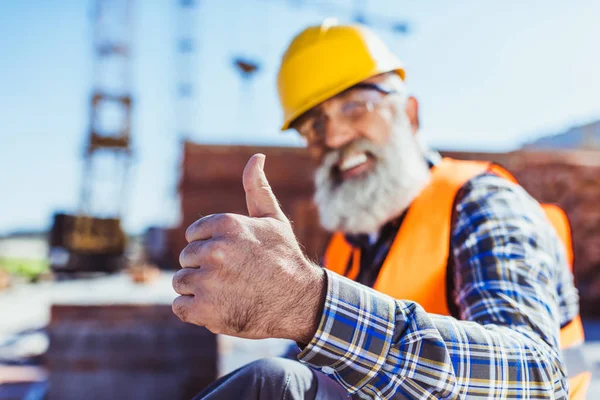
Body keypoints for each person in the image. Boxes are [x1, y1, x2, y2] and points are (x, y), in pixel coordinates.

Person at [172, 21, 590, 399]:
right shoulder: (348, 246)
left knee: (274, 384)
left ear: (410, 114)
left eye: (356, 105)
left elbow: (537, 378)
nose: (334, 136)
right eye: (315, 125)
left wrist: (309, 304)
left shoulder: (485, 205)